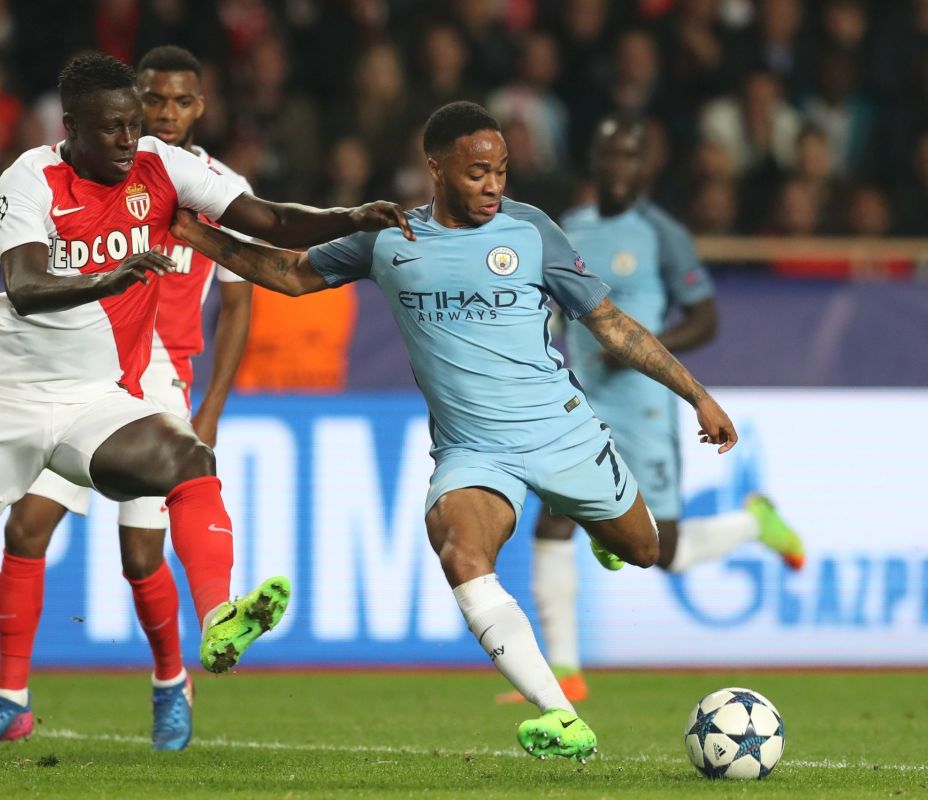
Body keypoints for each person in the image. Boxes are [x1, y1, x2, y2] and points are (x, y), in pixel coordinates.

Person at [0, 52, 411, 746]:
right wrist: (110, 277)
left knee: (188, 460)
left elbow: (266, 220)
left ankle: (216, 620)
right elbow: (27, 287)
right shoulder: (30, 178)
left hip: (97, 395)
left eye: (132, 125)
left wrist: (350, 216)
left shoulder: (163, 165)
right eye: (113, 129)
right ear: (71, 129)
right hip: (7, 395)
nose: (130, 141)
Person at [168, 100, 739, 761]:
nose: (493, 185)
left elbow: (611, 324)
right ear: (434, 169)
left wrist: (696, 395)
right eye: (476, 173)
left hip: (562, 434)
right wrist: (204, 238)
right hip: (475, 451)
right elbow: (293, 276)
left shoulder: (532, 232)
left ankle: (600, 529)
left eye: (499, 170)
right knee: (459, 551)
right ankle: (560, 715)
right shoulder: (390, 238)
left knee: (643, 549)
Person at [0, 45, 254, 754]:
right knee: (26, 528)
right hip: (79, 371)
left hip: (156, 376)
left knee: (141, 553)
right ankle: (11, 699)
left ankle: (172, 679)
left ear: (200, 107)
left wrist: (208, 406)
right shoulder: (111, 172)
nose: (165, 115)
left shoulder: (207, 184)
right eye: (154, 101)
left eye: (181, 102)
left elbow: (239, 305)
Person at [519, 115, 805, 706]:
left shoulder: (663, 234)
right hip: (579, 405)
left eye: (631, 157)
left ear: (645, 166)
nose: (620, 168)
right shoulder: (569, 228)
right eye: (610, 156)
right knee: (550, 522)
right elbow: (556, 304)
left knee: (663, 551)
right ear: (594, 163)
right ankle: (565, 672)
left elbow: (706, 317)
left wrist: (643, 352)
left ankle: (754, 523)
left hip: (645, 411)